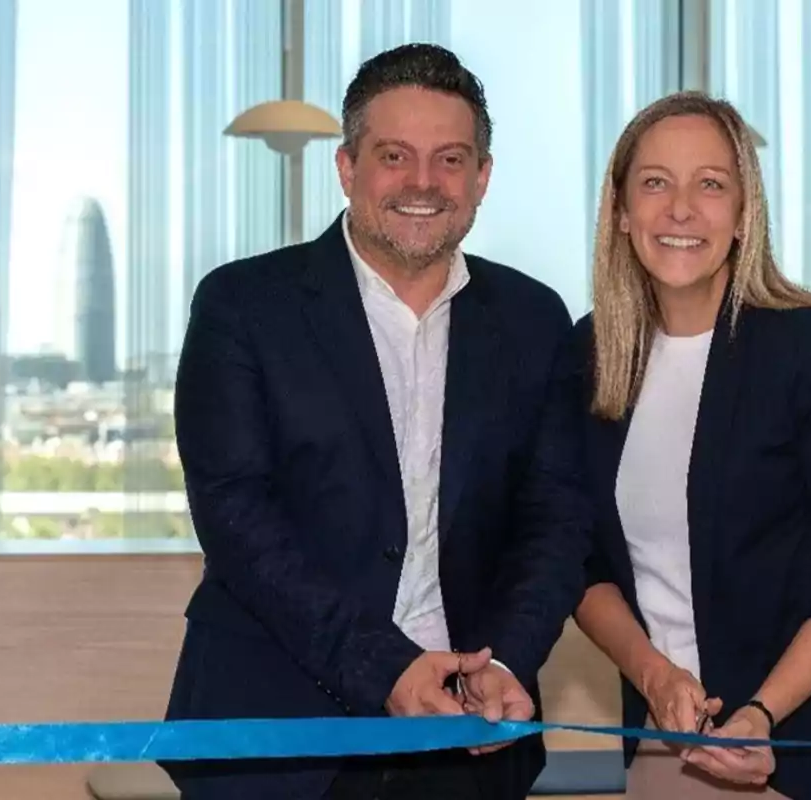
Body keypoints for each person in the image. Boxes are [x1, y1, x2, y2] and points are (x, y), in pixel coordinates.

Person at [162, 43, 591, 799]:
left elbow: (554, 520)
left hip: (471, 739)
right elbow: (236, 516)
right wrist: (383, 668)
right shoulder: (243, 307)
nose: (423, 182)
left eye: (451, 159)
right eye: (395, 155)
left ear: (482, 177)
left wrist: (502, 662)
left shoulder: (533, 320)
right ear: (347, 166)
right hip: (276, 740)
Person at [571, 91, 811, 799]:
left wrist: (761, 713)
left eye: (711, 184)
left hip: (810, 753)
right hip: (669, 752)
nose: (680, 209)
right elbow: (580, 565)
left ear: (742, 214)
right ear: (619, 211)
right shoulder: (591, 355)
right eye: (655, 182)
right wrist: (654, 676)